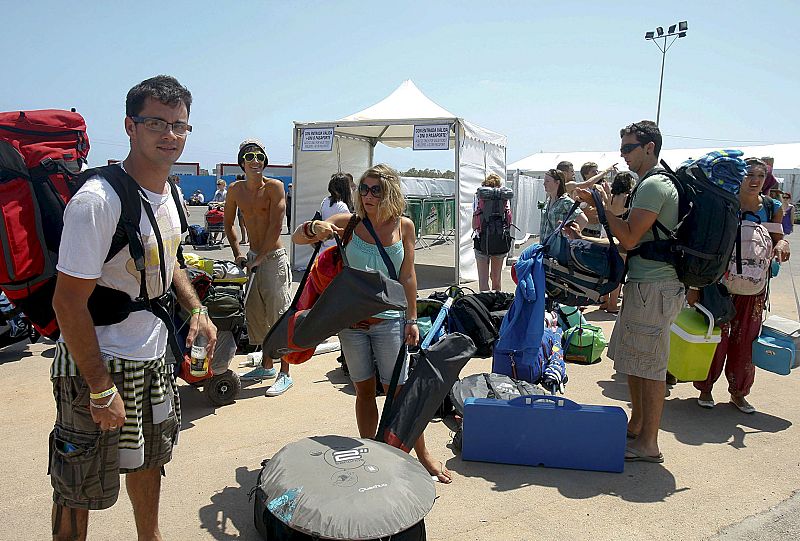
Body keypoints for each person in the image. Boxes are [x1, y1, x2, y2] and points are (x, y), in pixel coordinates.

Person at [50, 75, 217, 540]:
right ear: (130, 126)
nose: (170, 136)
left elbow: (171, 263)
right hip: (95, 365)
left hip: (152, 358)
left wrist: (196, 309)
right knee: (77, 482)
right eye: (156, 123)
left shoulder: (172, 194)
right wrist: (100, 387)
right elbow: (67, 302)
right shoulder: (97, 202)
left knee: (150, 460)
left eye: (180, 126)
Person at [292, 164, 452, 483]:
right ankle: (371, 452)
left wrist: (412, 318)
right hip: (351, 325)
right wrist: (315, 229)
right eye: (363, 189)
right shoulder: (348, 224)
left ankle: (423, 455)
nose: (367, 195)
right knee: (364, 390)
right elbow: (298, 237)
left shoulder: (404, 226)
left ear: (389, 191)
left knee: (401, 394)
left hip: (390, 321)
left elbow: (408, 275)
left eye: (375, 189)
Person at [575, 120, 684, 464]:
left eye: (628, 148)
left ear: (649, 147)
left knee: (651, 366)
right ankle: (637, 426)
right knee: (636, 361)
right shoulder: (648, 184)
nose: (622, 156)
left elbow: (630, 237)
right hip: (646, 283)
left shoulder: (654, 186)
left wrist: (607, 210)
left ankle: (649, 443)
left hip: (655, 285)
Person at [695, 158, 790, 414]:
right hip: (720, 285)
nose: (755, 180)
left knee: (746, 341)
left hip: (754, 288)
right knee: (717, 338)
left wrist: (782, 245)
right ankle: (705, 388)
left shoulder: (771, 207)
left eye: (760, 176)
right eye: (749, 175)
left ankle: (739, 392)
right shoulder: (726, 202)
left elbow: (777, 238)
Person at [224, 139, 294, 396]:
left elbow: (277, 225)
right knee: (256, 314)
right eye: (250, 156)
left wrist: (261, 257)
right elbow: (229, 223)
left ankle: (285, 372)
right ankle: (266, 366)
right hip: (252, 257)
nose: (256, 160)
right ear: (241, 162)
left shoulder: (275, 187)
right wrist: (238, 253)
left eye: (260, 156)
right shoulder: (235, 190)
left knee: (279, 314)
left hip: (273, 258)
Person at [598, 171, 637, 314]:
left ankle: (604, 301)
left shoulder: (611, 197)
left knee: (607, 270)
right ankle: (613, 304)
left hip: (607, 235)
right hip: (620, 236)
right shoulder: (628, 198)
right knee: (618, 273)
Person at [472, 173, 511, 291]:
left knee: (483, 281)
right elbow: (509, 221)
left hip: (481, 241)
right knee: (496, 278)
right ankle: (497, 305)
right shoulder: (504, 198)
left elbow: (474, 224)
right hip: (499, 239)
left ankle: (484, 307)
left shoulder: (479, 197)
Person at [539, 168, 588, 241]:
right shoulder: (548, 200)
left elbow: (583, 220)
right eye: (544, 181)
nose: (544, 183)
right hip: (545, 246)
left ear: (557, 182)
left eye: (547, 181)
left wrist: (568, 236)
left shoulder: (565, 201)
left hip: (557, 248)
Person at [318, 172, 354, 252]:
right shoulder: (342, 206)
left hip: (324, 248)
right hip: (337, 251)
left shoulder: (325, 201)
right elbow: (348, 232)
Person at [234, 174, 248, 244]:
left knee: (246, 225)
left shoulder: (245, 188)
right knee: (241, 225)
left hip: (245, 209)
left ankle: (249, 240)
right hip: (240, 208)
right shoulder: (238, 188)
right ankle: (243, 239)